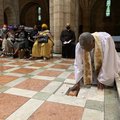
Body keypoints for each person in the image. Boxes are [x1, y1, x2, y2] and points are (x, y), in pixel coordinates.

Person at [67, 32, 120, 96]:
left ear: (93, 41)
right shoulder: (80, 46)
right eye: (85, 49)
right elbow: (78, 64)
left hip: (107, 64)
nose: (87, 50)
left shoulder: (106, 40)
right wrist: (77, 81)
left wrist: (102, 80)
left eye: (89, 48)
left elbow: (108, 62)